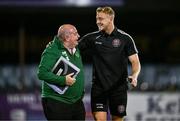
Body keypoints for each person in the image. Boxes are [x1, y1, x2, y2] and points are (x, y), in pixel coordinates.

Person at [78, 6, 141, 121]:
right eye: (97, 18)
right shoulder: (91, 38)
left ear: (111, 19)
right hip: (99, 88)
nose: (98, 22)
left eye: (101, 19)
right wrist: (56, 45)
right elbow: (71, 48)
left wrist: (135, 76)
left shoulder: (125, 38)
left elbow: (135, 61)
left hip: (118, 89)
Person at [37, 24, 85, 120]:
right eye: (75, 34)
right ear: (67, 38)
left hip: (76, 103)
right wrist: (63, 80)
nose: (78, 36)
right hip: (57, 103)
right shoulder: (52, 50)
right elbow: (41, 73)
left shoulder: (76, 48)